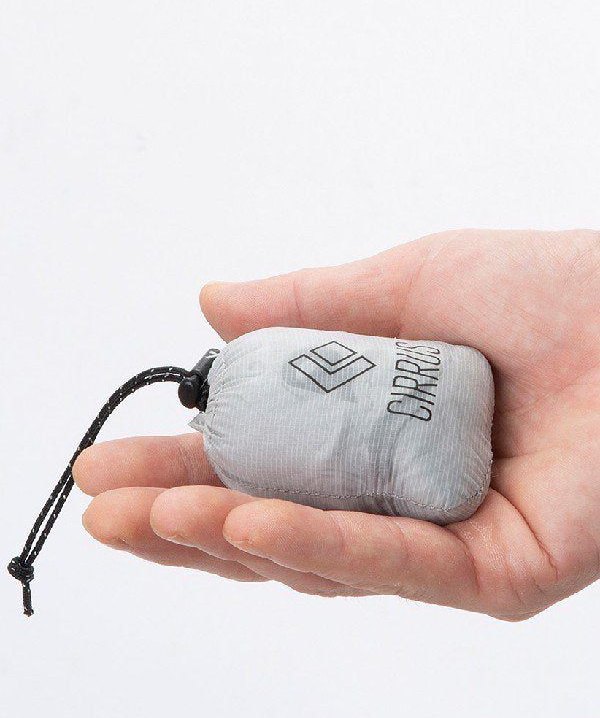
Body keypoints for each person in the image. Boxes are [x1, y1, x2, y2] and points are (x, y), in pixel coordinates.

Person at [72, 229, 600, 620]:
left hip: (475, 408)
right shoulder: (246, 377)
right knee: (250, 527)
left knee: (254, 526)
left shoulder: (236, 434)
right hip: (460, 373)